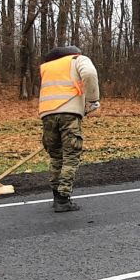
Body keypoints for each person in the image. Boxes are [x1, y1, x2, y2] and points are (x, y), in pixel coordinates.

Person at [38, 45, 100, 212]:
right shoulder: (77, 60)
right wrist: (93, 100)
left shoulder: (47, 67)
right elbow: (89, 74)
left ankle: (56, 196)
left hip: (47, 114)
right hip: (69, 114)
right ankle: (63, 200)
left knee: (56, 157)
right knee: (71, 156)